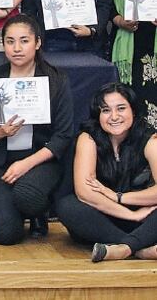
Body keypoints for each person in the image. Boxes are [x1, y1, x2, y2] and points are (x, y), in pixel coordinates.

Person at [0, 15, 74, 245]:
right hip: (4, 161)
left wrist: (25, 165)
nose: (16, 48)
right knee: (4, 235)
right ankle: (20, 212)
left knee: (27, 196)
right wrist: (0, 132)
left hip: (42, 159)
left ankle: (39, 211)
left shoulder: (56, 80)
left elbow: (63, 136)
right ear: (3, 44)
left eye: (24, 41)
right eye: (10, 41)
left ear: (37, 43)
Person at [55, 83, 157, 262]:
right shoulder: (88, 138)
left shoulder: (150, 139)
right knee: (68, 206)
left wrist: (119, 197)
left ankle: (123, 249)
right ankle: (137, 249)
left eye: (121, 108)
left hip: (144, 215)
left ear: (133, 111)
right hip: (104, 218)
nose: (114, 117)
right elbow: (85, 192)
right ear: (98, 115)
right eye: (106, 110)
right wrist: (130, 215)